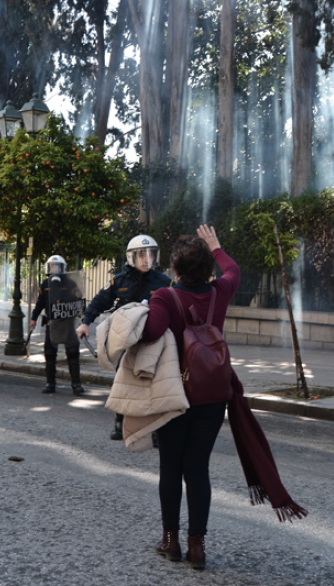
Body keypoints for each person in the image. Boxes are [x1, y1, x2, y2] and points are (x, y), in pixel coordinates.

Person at [141, 225, 239, 571]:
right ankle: (197, 546)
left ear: (176, 269)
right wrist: (215, 245)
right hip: (212, 394)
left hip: (176, 393)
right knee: (198, 469)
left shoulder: (166, 297)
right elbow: (233, 270)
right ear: (206, 269)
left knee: (171, 467)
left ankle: (171, 541)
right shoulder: (220, 292)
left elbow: (151, 331)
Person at [76, 235, 173, 439]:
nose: (147, 259)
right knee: (122, 381)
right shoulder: (119, 281)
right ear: (132, 257)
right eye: (141, 254)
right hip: (127, 341)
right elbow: (99, 301)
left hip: (152, 341)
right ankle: (120, 423)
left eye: (151, 254)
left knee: (153, 383)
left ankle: (155, 430)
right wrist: (86, 322)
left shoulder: (165, 282)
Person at [30, 255, 84, 395]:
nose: (55, 269)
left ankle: (76, 384)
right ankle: (50, 383)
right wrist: (33, 318)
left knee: (72, 352)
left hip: (68, 322)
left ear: (62, 268)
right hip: (51, 322)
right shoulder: (46, 283)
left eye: (58, 266)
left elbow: (77, 300)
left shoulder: (70, 283)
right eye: (53, 266)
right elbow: (40, 302)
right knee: (50, 353)